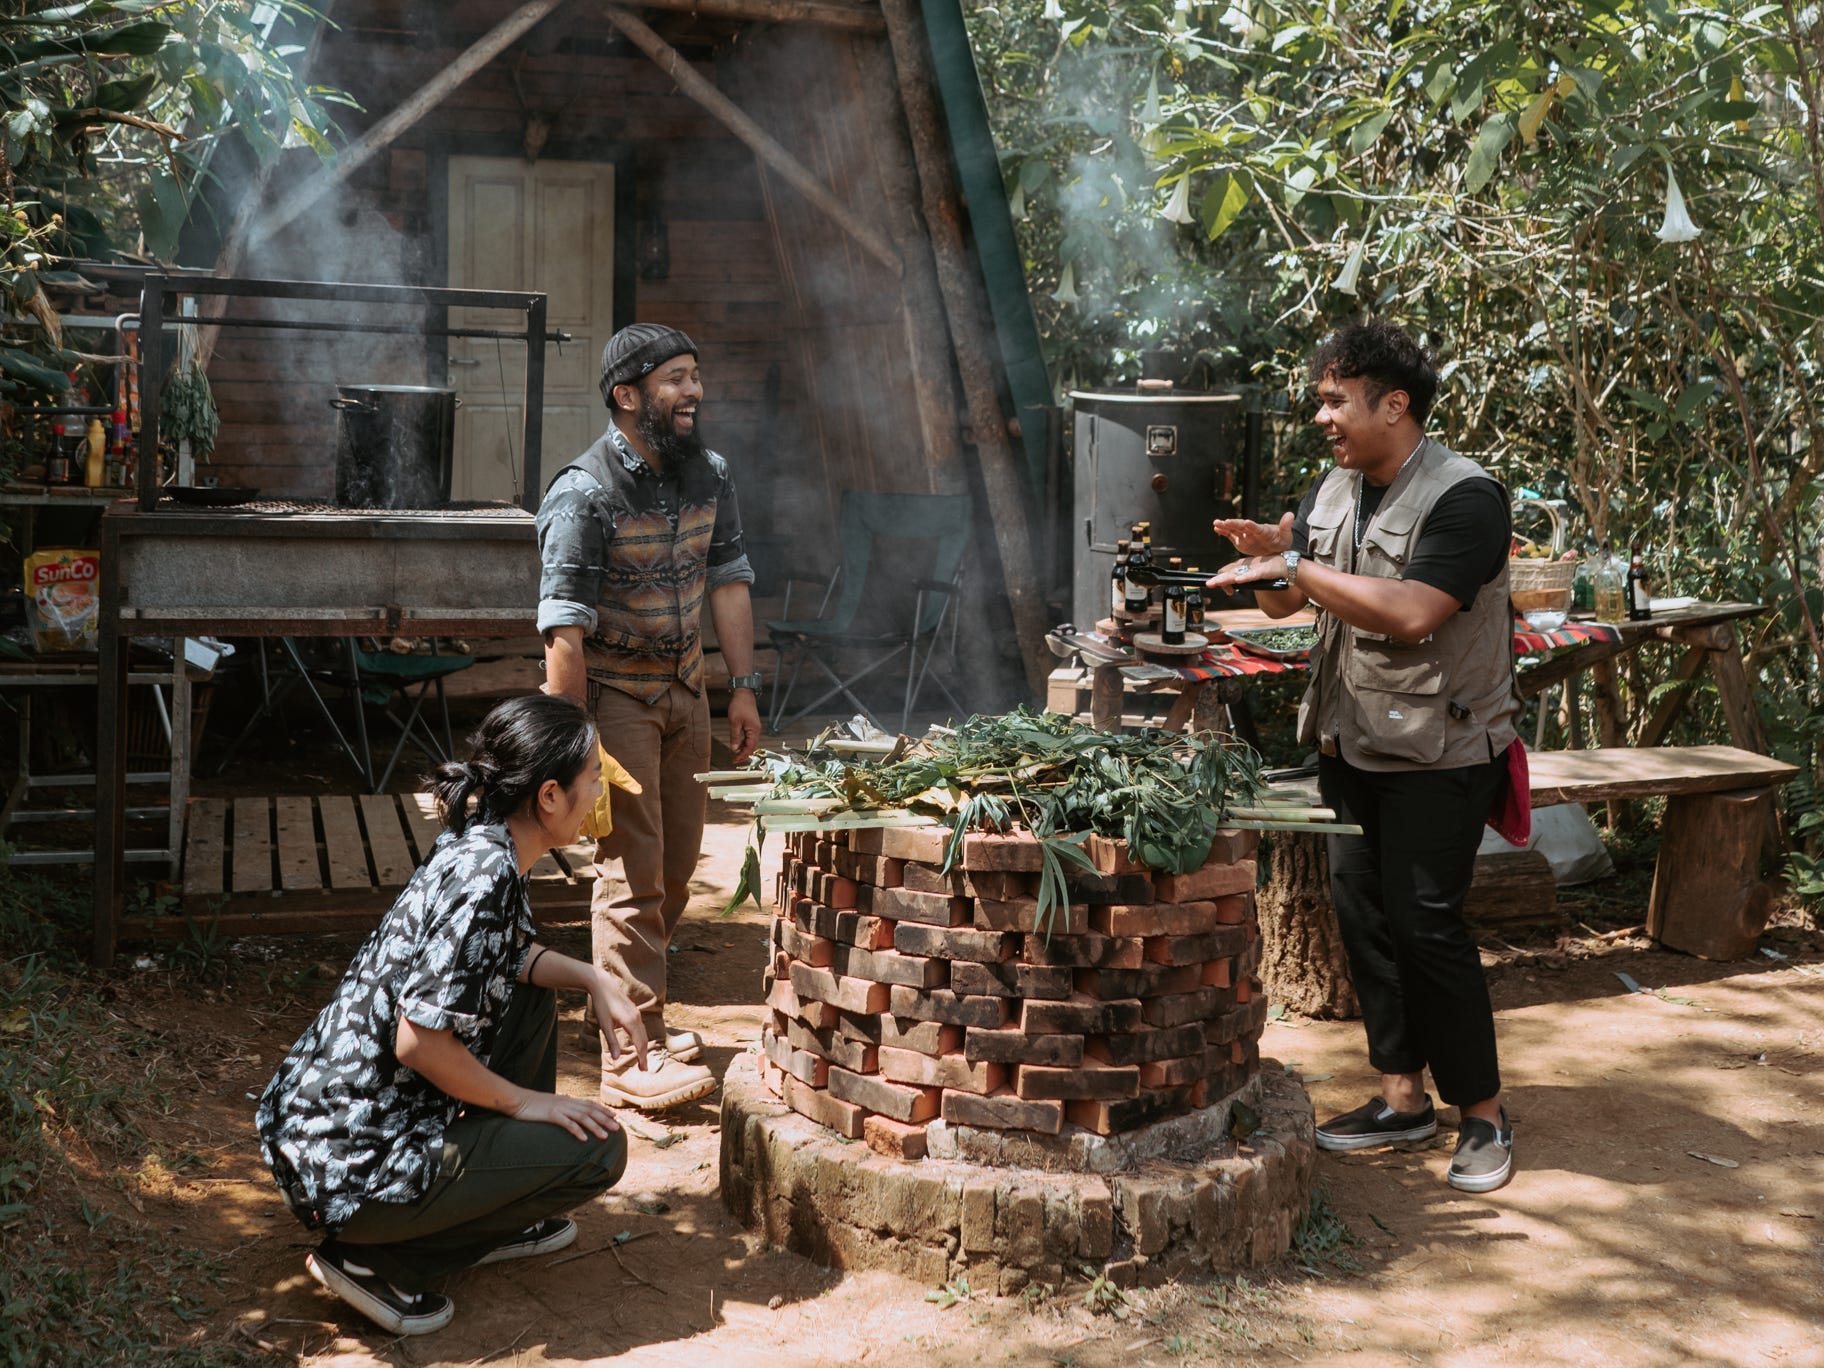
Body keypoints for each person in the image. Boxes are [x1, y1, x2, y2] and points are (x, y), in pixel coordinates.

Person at [1208, 320, 1520, 1193]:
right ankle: (1400, 1097)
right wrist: (1267, 568)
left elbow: (1415, 611)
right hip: (1352, 738)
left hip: (1442, 748)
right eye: (1321, 399)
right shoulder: (1335, 487)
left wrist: (1296, 568)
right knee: (1365, 920)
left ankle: (1484, 1117)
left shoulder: (1468, 498)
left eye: (1336, 400)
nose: (1322, 417)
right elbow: (1286, 609)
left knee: (1429, 928)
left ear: (1396, 405)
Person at [256, 694, 650, 1335]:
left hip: (320, 1129)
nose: (601, 788)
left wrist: (591, 976)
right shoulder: (485, 878)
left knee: (529, 995)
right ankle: (373, 1260)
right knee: (599, 1151)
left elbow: (504, 955)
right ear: (550, 796)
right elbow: (420, 1044)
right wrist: (526, 1104)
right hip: (353, 1163)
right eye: (593, 779)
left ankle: (496, 1203)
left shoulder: (484, 842)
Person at [535, 323, 760, 1111]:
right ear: (627, 396)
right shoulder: (584, 493)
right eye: (674, 379)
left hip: (687, 693)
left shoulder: (711, 476)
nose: (693, 391)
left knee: (672, 871)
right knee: (630, 878)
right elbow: (563, 630)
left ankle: (648, 1021)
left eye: (696, 375)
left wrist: (743, 685)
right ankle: (630, 1058)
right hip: (615, 700)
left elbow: (728, 580)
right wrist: (570, 750)